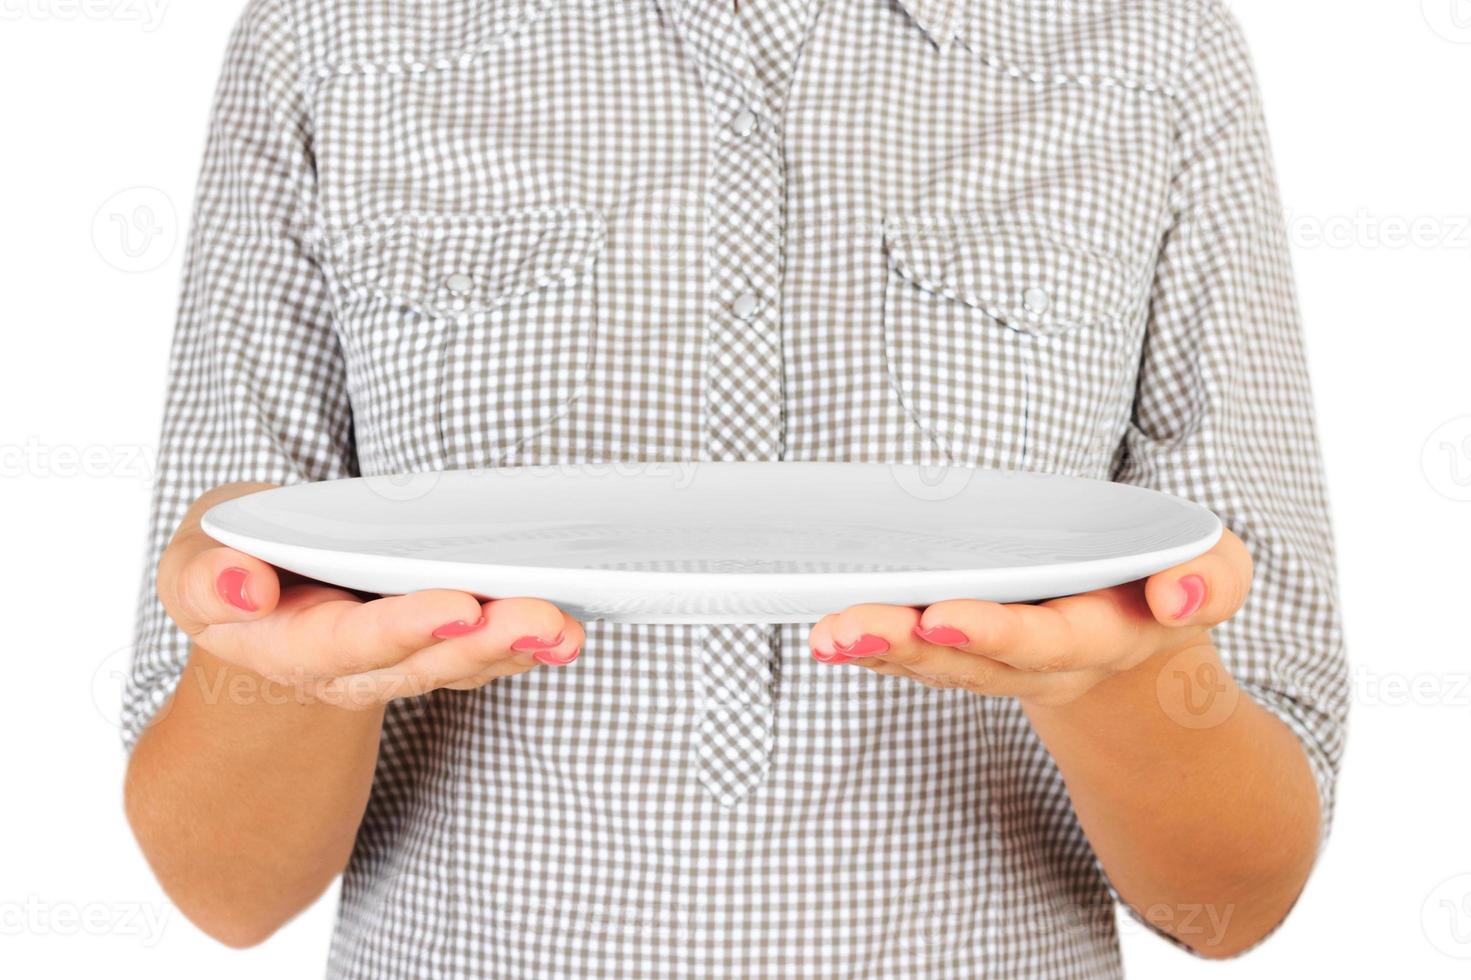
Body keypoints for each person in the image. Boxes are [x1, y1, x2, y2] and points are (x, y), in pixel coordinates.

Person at [121, 0, 1349, 976]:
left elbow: (1240, 900)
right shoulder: (329, 40)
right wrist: (283, 674)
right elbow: (225, 894)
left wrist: (1122, 679)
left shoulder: (1152, 49)